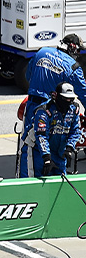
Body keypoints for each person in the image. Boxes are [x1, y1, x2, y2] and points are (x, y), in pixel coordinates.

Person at [19, 34, 86, 177]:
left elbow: (27, 76)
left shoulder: (42, 51)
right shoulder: (73, 67)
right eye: (78, 52)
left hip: (32, 106)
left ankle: (24, 184)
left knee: (29, 147)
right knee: (54, 150)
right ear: (73, 49)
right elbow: (84, 96)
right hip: (55, 110)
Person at [30, 82, 81, 177]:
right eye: (65, 98)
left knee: (60, 184)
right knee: (37, 183)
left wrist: (69, 148)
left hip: (60, 153)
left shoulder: (74, 109)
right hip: (38, 152)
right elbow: (41, 135)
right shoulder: (44, 111)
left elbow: (75, 130)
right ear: (56, 96)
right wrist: (46, 157)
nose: (68, 101)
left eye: (71, 99)